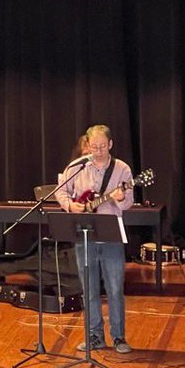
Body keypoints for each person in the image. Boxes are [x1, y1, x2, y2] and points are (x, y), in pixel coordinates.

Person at [55, 124, 134, 354]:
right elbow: (60, 191)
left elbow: (128, 203)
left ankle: (119, 337)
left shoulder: (122, 170)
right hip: (84, 234)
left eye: (103, 146)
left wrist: (119, 198)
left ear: (110, 144)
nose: (98, 151)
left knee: (115, 288)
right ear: (87, 145)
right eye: (94, 146)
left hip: (111, 236)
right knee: (88, 288)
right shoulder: (77, 167)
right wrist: (70, 205)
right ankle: (95, 336)